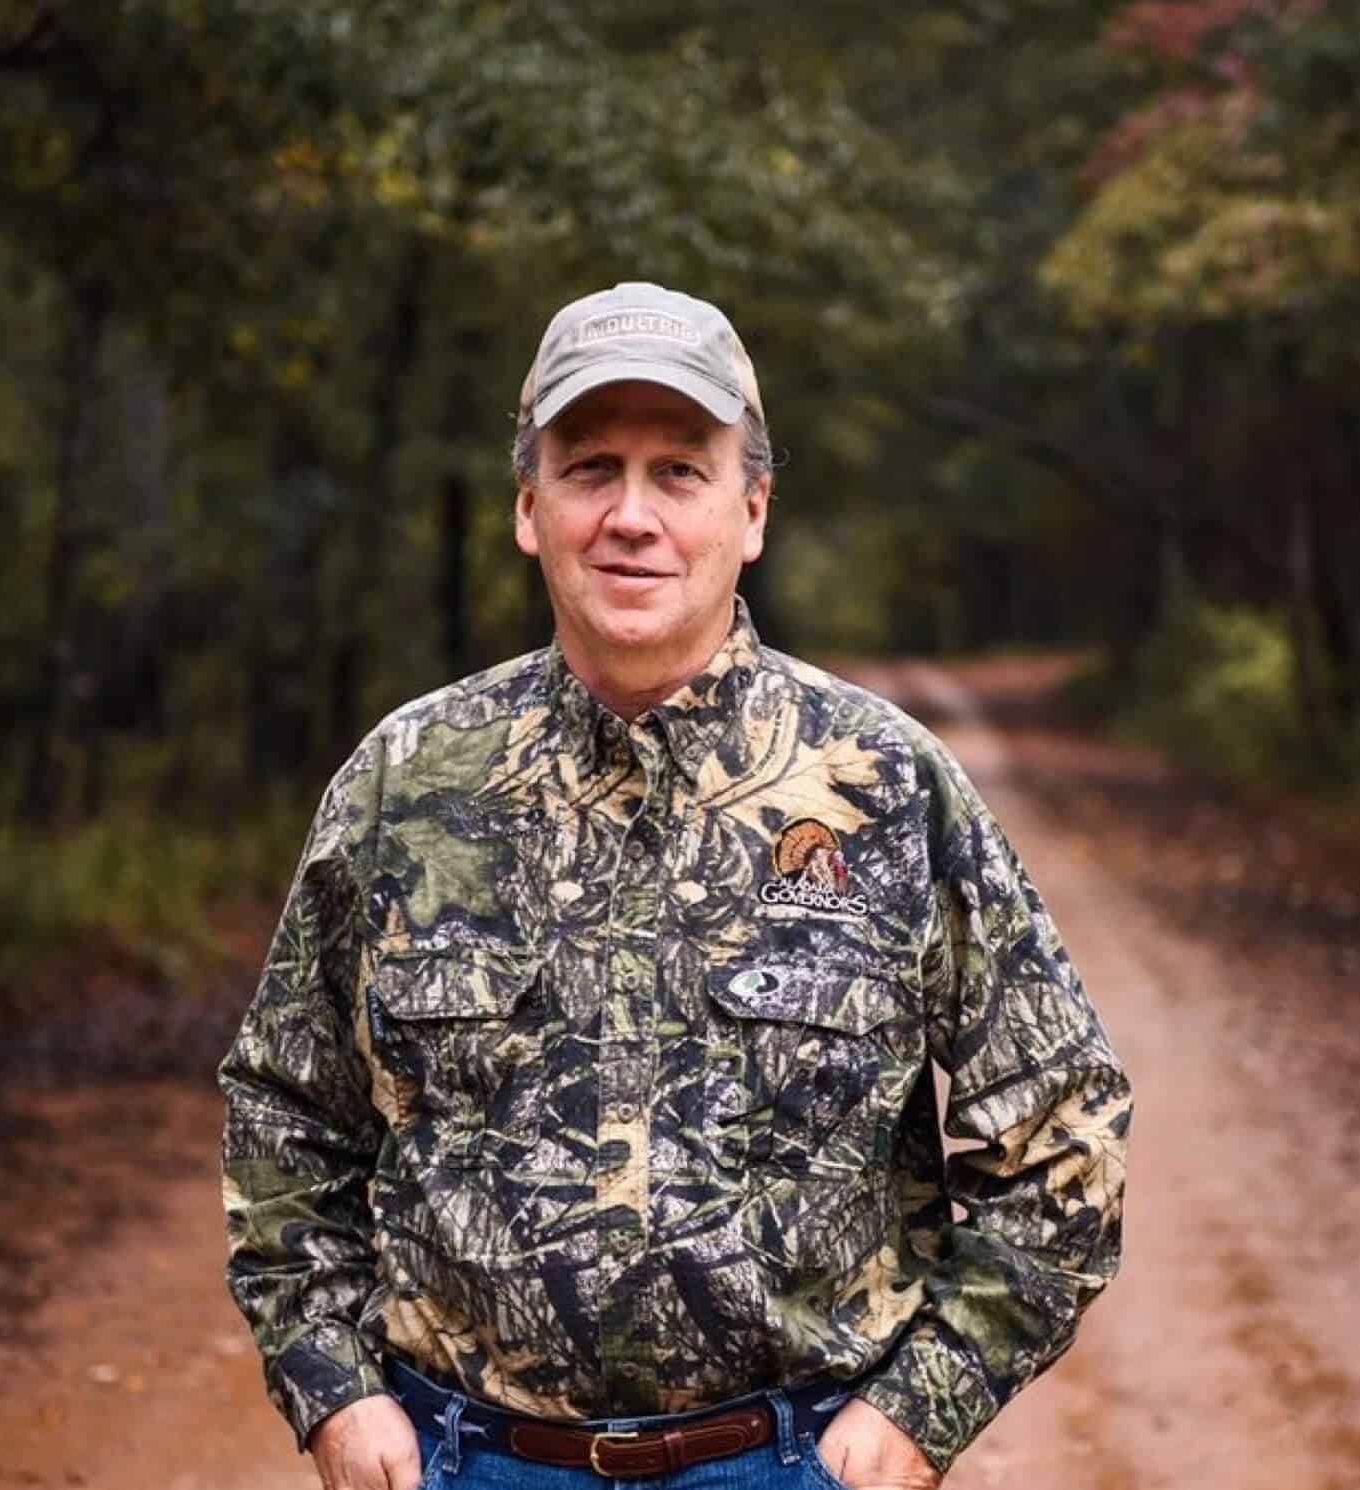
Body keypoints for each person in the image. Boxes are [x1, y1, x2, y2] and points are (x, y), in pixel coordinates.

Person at [218, 282, 1132, 1490]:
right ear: (527, 509)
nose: (630, 516)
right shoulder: (402, 784)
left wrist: (919, 1410)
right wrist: (332, 1387)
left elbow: (1064, 1127)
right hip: (468, 1460)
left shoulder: (884, 786)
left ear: (750, 508)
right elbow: (284, 1110)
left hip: (793, 1458)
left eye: (679, 471)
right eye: (590, 467)